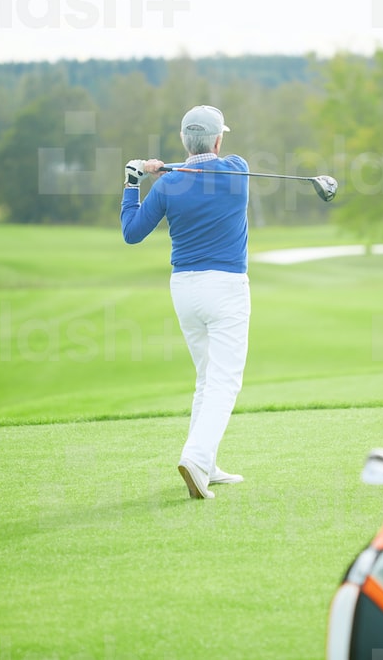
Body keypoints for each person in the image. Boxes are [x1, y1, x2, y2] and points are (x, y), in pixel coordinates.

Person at [120, 105, 250, 500]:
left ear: (183, 140)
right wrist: (168, 167)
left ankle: (206, 465)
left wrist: (135, 180)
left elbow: (131, 232)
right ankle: (195, 457)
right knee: (225, 380)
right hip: (225, 287)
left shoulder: (166, 186)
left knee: (207, 377)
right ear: (218, 139)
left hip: (185, 290)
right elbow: (208, 165)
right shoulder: (237, 170)